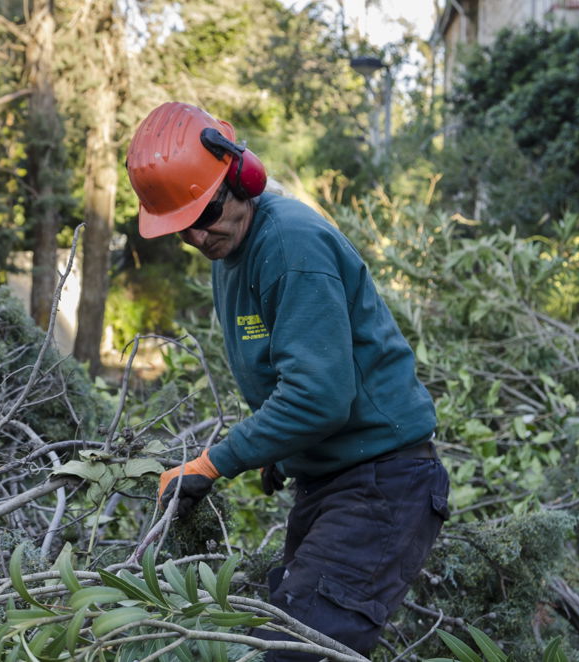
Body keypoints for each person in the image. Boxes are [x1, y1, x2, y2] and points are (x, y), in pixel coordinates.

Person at [126, 101, 450, 661]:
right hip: (332, 483)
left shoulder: (290, 245)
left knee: (296, 652)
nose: (200, 239)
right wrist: (278, 452)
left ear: (242, 177)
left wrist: (215, 462)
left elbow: (318, 397)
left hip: (383, 483)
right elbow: (290, 369)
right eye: (183, 231)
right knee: (285, 632)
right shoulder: (232, 253)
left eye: (205, 216)